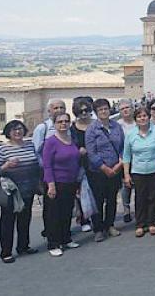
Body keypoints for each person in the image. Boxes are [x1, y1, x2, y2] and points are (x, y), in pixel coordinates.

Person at [0, 120, 41, 263]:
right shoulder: (2, 149)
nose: (17, 132)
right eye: (14, 130)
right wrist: (6, 166)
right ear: (8, 133)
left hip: (28, 189)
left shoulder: (30, 146)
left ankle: (23, 246)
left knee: (25, 219)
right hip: (10, 192)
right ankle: (6, 252)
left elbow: (37, 164)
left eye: (20, 129)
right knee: (7, 221)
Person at [123, 107, 155, 237]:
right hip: (138, 171)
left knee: (154, 197)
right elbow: (127, 156)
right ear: (135, 119)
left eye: (144, 116)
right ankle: (140, 224)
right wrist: (126, 175)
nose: (142, 118)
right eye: (139, 117)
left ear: (149, 117)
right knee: (140, 198)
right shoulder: (130, 134)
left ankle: (152, 223)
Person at [85, 98, 125, 242]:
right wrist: (104, 168)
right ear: (96, 112)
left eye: (105, 109)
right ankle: (98, 228)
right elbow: (91, 152)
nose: (103, 112)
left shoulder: (116, 126)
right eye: (100, 110)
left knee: (112, 199)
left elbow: (122, 147)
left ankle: (110, 225)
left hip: (115, 169)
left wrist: (119, 164)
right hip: (98, 171)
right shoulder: (91, 129)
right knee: (98, 200)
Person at [42, 112, 81, 256]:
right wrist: (50, 185)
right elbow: (47, 165)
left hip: (70, 182)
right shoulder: (50, 141)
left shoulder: (72, 139)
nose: (63, 124)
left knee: (66, 212)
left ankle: (66, 238)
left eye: (66, 121)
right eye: (60, 122)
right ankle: (53, 243)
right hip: (56, 183)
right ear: (55, 124)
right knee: (54, 214)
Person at [69, 97, 93, 232]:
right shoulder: (72, 129)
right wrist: (78, 151)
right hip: (79, 164)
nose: (84, 113)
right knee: (81, 193)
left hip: (95, 163)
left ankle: (96, 218)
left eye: (86, 110)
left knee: (95, 192)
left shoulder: (95, 125)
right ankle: (84, 219)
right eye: (80, 111)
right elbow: (69, 144)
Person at [117, 99, 137, 224]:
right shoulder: (117, 125)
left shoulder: (138, 122)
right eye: (122, 108)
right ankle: (126, 208)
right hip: (124, 158)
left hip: (139, 158)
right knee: (126, 184)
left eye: (128, 107)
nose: (125, 110)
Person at [33, 98, 66, 163]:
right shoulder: (42, 128)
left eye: (61, 108)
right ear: (49, 111)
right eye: (56, 108)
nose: (59, 110)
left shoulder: (68, 127)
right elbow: (36, 150)